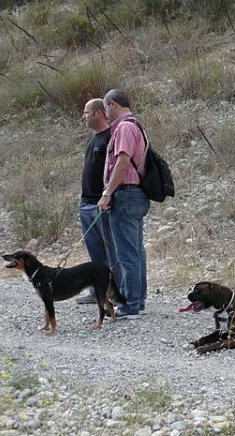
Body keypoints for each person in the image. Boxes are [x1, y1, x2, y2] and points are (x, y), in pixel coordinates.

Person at [97, 89, 150, 319]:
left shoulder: (125, 127)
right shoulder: (134, 125)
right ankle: (137, 301)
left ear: (113, 104)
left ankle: (130, 304)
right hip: (135, 195)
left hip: (126, 195)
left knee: (128, 254)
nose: (105, 113)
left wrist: (108, 193)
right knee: (136, 252)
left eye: (106, 107)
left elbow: (122, 162)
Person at [76, 98, 123, 304]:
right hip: (85, 203)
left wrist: (107, 195)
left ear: (98, 113)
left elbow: (117, 169)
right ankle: (98, 290)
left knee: (112, 252)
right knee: (95, 251)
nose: (83, 116)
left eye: (86, 112)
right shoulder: (92, 139)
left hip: (100, 204)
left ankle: (118, 292)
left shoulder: (111, 137)